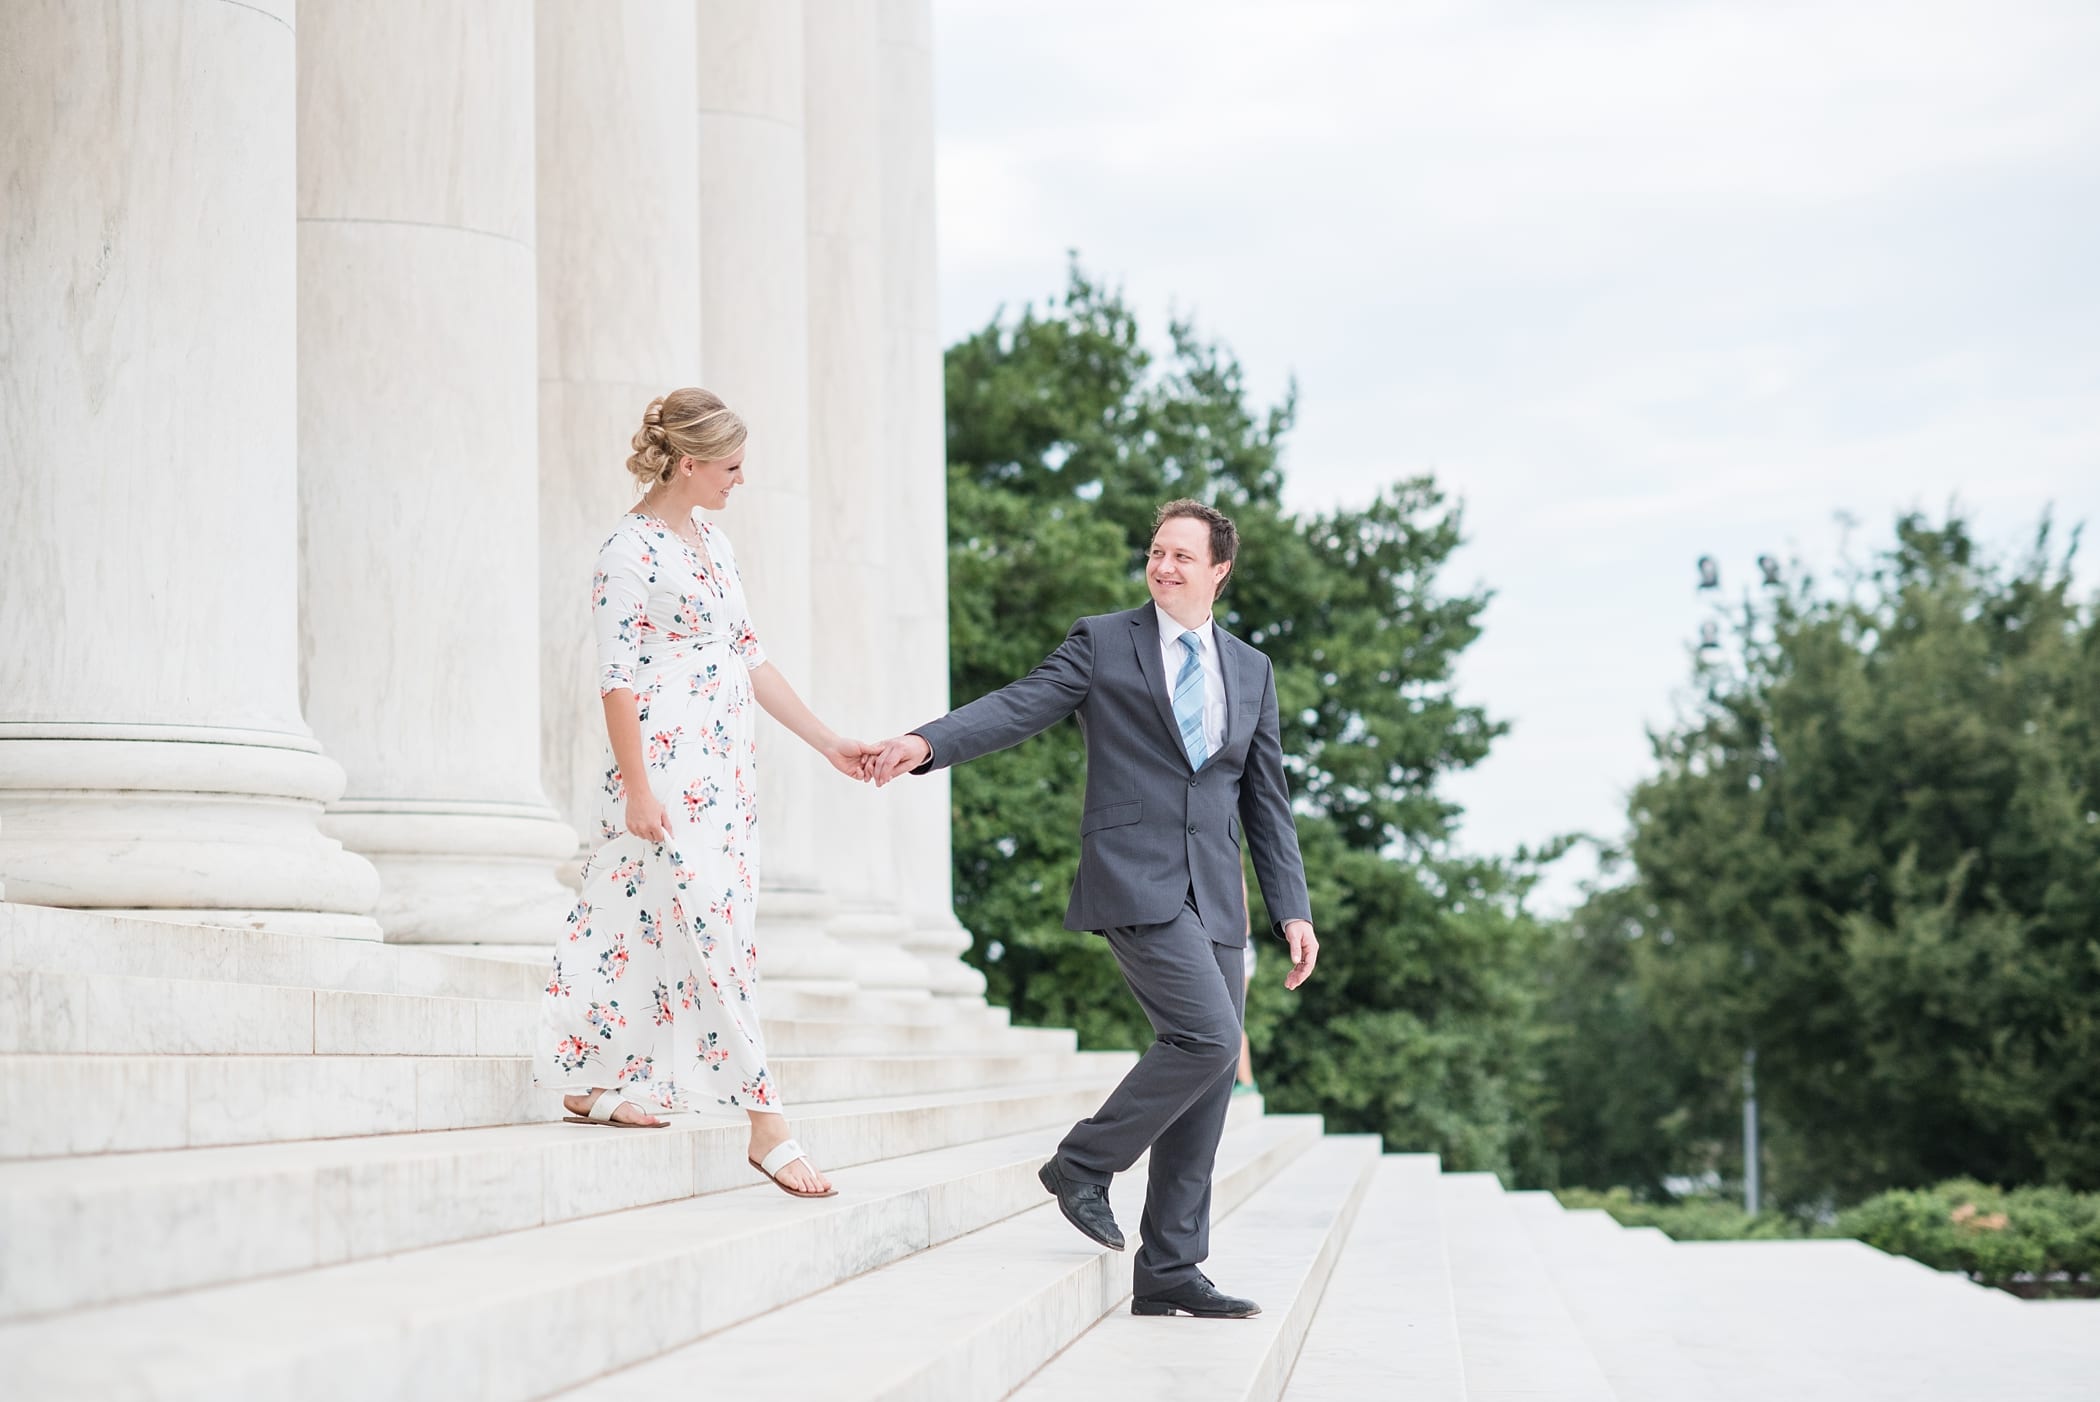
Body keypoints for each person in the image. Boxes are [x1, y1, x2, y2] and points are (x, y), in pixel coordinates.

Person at [871, 498, 1319, 1319]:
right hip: (1134, 875)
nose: (1164, 566)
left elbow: (1266, 798)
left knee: (1213, 1076)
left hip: (1218, 891)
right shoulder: (1104, 642)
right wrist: (925, 744)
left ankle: (1172, 1270)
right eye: (1156, 552)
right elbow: (1018, 704)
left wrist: (1292, 906)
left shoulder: (1251, 669)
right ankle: (1082, 1163)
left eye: (1183, 556)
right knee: (1209, 1036)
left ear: (1219, 569)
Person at [533, 388, 871, 1199]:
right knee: (712, 931)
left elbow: (752, 659)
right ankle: (767, 1122)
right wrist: (638, 790)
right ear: (689, 463)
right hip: (662, 769)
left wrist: (830, 743)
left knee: (628, 915)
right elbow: (613, 679)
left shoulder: (714, 544)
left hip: (724, 776)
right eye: (730, 466)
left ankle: (586, 1077)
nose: (740, 479)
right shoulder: (626, 553)